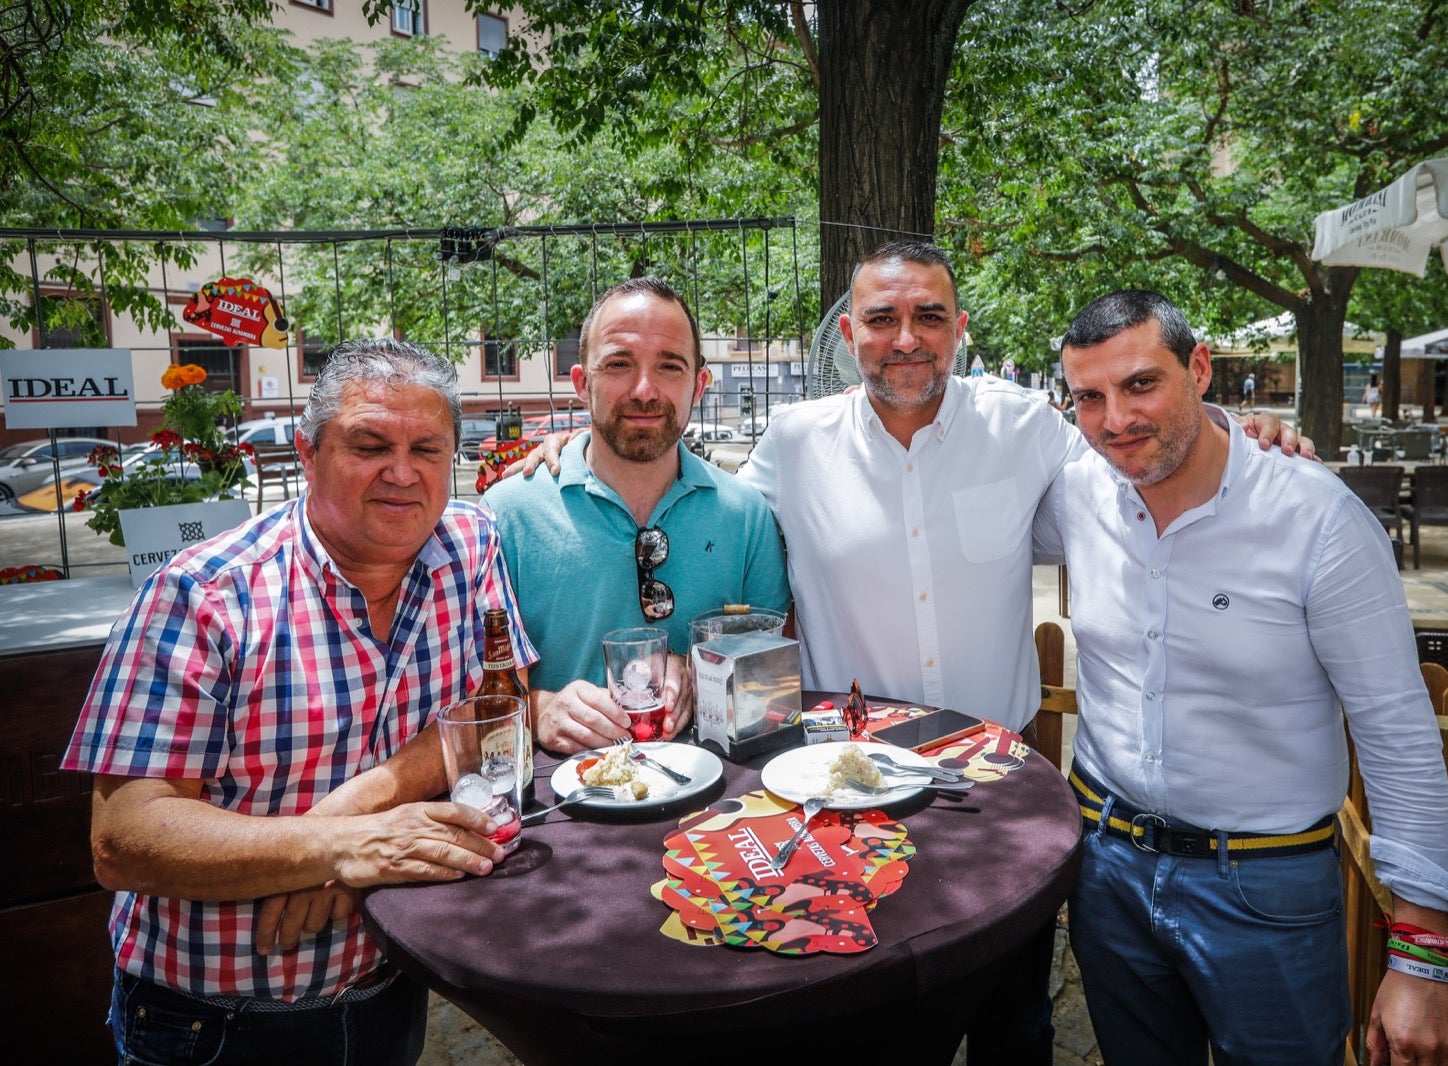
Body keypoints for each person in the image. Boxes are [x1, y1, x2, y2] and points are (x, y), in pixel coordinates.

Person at [526, 242, 1310, 1064]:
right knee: (871, 1026)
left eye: (929, 316)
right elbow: (691, 505)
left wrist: (1231, 429)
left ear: (960, 329)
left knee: (1017, 1026)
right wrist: (572, 452)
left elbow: (1141, 458)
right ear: (849, 334)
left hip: (996, 796)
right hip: (839, 796)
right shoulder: (795, 444)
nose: (907, 338)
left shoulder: (1028, 427)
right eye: (882, 319)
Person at [62, 338, 536, 1065]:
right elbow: (122, 841)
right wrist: (340, 849)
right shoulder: (203, 597)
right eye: (369, 445)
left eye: (428, 450)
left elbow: (504, 708)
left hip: (390, 981)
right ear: (306, 454)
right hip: (216, 1023)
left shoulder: (470, 545)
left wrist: (353, 811)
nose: (402, 475)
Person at [1038, 290, 1448, 1066]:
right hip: (1105, 870)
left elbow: (1397, 734)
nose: (1115, 420)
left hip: (1267, 888)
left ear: (1199, 368)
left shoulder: (1317, 518)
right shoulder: (1077, 490)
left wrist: (1422, 957)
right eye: (1089, 397)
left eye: (1142, 384)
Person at [481, 277, 789, 754]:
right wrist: (539, 708)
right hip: (561, 807)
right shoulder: (506, 517)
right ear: (582, 383)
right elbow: (461, 697)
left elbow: (772, 678)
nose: (645, 390)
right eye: (620, 364)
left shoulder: (746, 516)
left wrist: (702, 668)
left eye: (669, 367)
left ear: (699, 385)